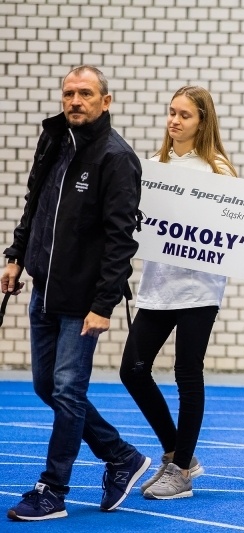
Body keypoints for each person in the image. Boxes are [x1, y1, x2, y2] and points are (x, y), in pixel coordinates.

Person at [118, 86, 244, 500]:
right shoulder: (155, 167)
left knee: (186, 373)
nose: (175, 121)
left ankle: (180, 472)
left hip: (199, 290)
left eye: (185, 115)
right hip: (157, 288)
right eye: (171, 113)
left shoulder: (218, 171)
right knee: (132, 370)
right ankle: (177, 450)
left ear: (203, 121)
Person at [2, 65, 150, 521]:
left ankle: (53, 490)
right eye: (69, 93)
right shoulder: (53, 141)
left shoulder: (117, 158)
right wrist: (15, 256)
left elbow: (122, 239)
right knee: (46, 385)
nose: (75, 101)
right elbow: (35, 206)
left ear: (106, 101)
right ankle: (120, 455)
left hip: (84, 298)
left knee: (67, 389)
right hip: (44, 287)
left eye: (85, 94)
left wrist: (103, 305)